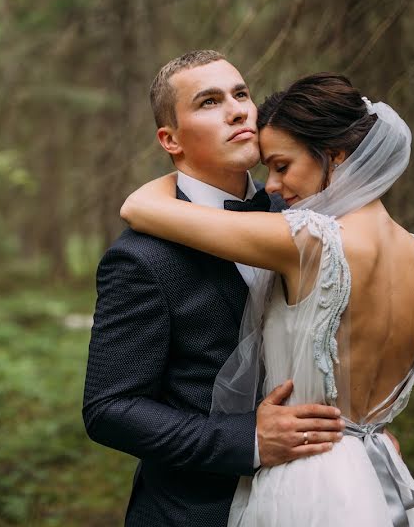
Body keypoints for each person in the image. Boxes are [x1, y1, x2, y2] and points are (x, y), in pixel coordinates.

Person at [120, 72, 414, 526]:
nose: (270, 185)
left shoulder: (309, 241)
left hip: (305, 479)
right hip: (376, 466)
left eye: (282, 166)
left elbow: (139, 207)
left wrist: (179, 158)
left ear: (336, 156)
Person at [82, 51, 346, 527]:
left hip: (313, 498)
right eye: (209, 101)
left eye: (241, 94)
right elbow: (109, 408)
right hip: (195, 511)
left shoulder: (299, 216)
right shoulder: (141, 258)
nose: (239, 109)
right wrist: (247, 441)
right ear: (170, 139)